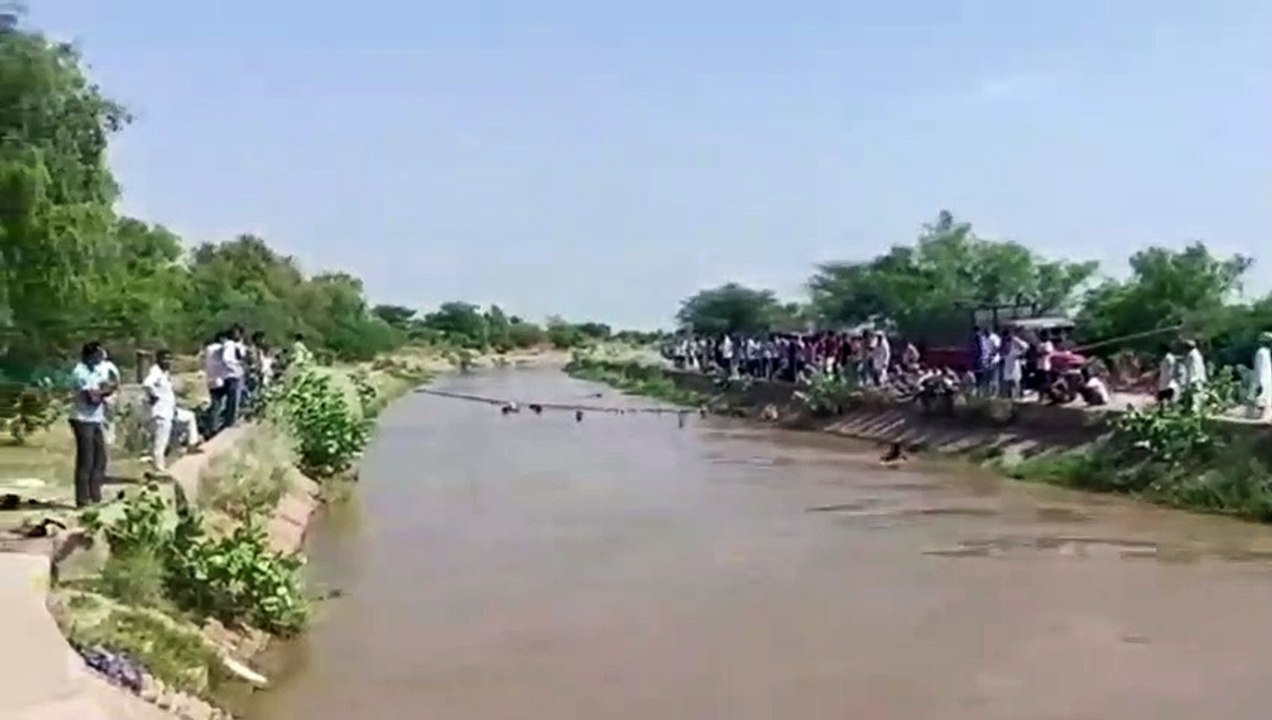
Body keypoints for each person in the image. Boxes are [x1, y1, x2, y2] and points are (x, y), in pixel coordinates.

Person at [69, 342, 116, 507]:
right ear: (90, 356)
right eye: (98, 355)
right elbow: (92, 399)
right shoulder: (80, 372)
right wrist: (106, 392)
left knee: (100, 459)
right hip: (82, 418)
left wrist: (103, 391)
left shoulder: (96, 370)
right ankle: (82, 499)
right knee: (86, 460)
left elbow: (105, 387)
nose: (100, 359)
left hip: (96, 418)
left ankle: (95, 495)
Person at [143, 349, 200, 475]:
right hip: (160, 414)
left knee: (189, 417)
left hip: (170, 411)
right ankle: (159, 468)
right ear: (158, 360)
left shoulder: (165, 373)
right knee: (160, 442)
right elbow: (147, 384)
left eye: (169, 359)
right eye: (164, 359)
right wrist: (153, 395)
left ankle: (192, 444)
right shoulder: (155, 372)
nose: (167, 361)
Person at [219, 325, 247, 429]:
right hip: (233, 375)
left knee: (235, 399)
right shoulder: (229, 345)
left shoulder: (237, 345)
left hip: (236, 374)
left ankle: (231, 420)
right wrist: (236, 365)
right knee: (233, 399)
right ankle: (230, 422)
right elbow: (226, 359)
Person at [1247, 332, 1272, 420]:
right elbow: (1262, 369)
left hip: (1264, 381)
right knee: (1264, 403)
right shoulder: (1263, 353)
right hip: (1264, 382)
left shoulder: (1263, 352)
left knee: (1264, 402)